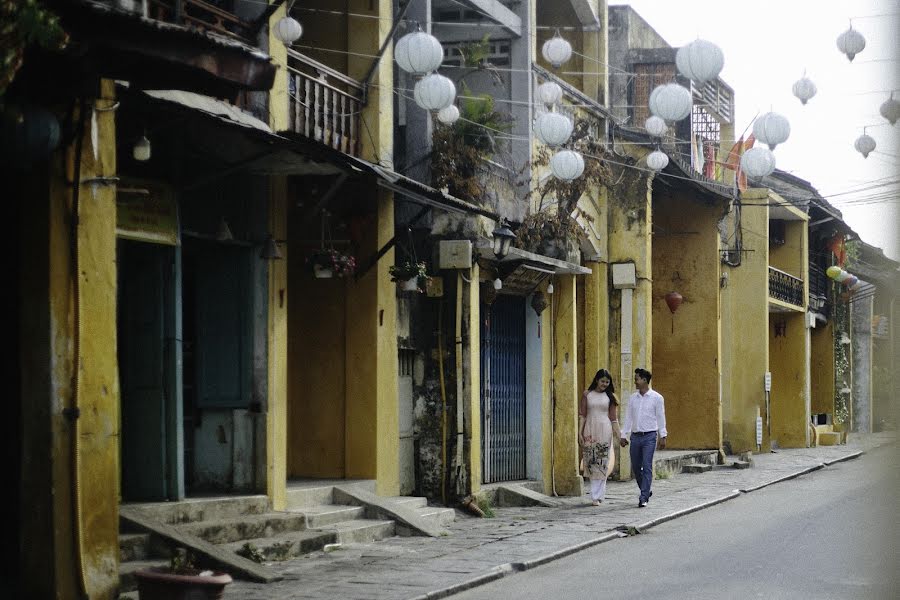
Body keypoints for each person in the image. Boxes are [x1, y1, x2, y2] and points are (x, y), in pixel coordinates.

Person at [619, 368, 667, 507]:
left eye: (637, 379)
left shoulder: (657, 398)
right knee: (636, 467)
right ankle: (645, 489)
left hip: (650, 436)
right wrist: (624, 434)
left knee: (647, 466)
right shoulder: (633, 398)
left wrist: (663, 435)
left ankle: (644, 497)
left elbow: (660, 417)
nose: (635, 381)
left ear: (644, 380)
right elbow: (628, 417)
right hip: (635, 436)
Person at [579, 369, 619, 506]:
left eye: (607, 382)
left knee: (602, 462)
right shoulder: (587, 394)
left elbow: (614, 419)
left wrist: (619, 435)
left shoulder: (611, 397)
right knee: (591, 462)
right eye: (602, 381)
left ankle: (598, 495)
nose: (605, 384)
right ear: (596, 380)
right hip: (590, 429)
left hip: (605, 430)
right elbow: (582, 415)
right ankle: (595, 495)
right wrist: (580, 432)